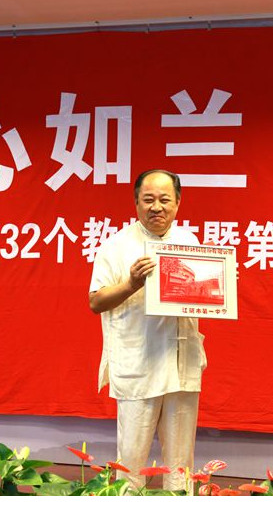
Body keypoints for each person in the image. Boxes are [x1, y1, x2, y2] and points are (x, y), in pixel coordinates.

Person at [89, 169, 206, 492]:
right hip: (139, 361)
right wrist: (131, 283)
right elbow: (96, 301)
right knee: (131, 459)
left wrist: (221, 285)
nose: (157, 207)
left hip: (181, 360)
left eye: (165, 199)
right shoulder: (116, 246)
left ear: (178, 203)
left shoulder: (190, 243)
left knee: (181, 461)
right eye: (148, 199)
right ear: (136, 203)